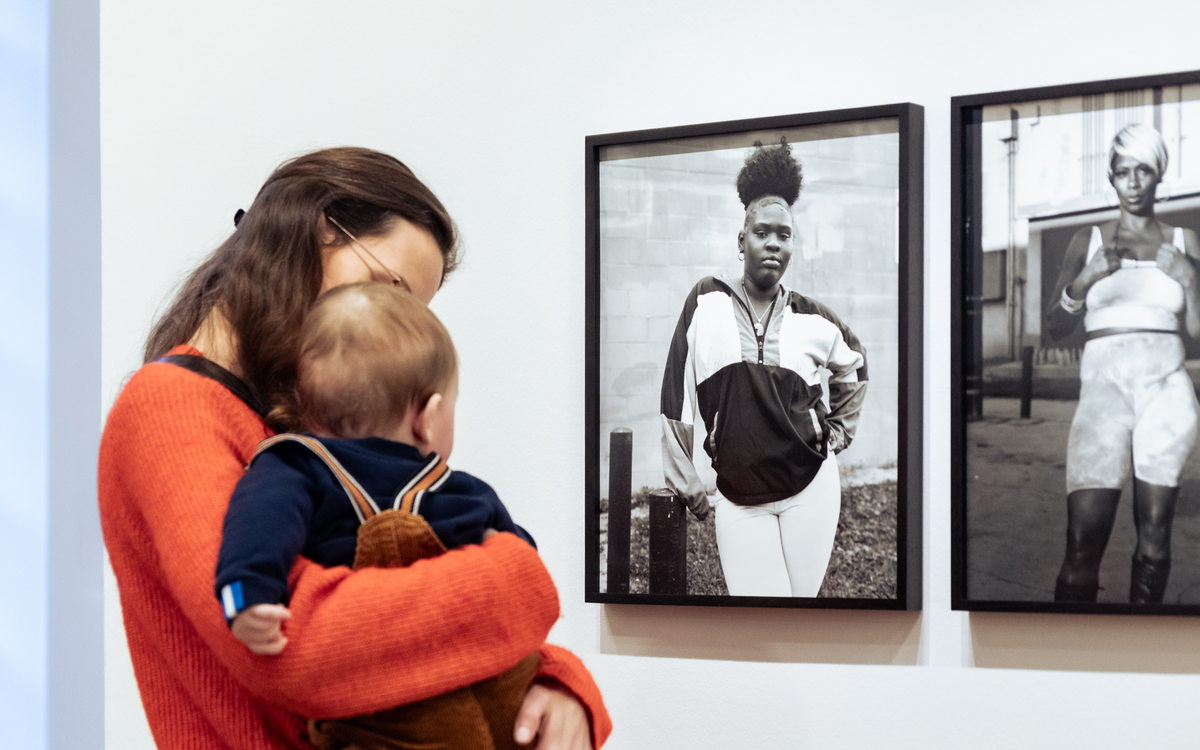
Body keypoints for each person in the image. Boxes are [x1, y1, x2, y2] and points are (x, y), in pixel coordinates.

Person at [98, 147, 610, 750]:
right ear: (319, 229)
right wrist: (518, 579)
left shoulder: (294, 429)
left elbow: (396, 593)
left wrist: (558, 679)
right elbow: (299, 647)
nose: (387, 330)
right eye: (388, 288)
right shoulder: (171, 405)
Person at [217, 282, 543, 750]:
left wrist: (245, 595)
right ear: (429, 417)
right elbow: (521, 567)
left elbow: (255, 526)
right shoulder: (463, 492)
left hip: (376, 714)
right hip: (485, 697)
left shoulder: (291, 466)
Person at [659, 139, 868, 598]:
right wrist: (684, 477)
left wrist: (837, 434)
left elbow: (853, 366)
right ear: (741, 239)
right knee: (758, 617)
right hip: (738, 496)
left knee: (801, 614)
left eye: (785, 234)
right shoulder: (705, 301)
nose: (773, 243)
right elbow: (676, 395)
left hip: (810, 487)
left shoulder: (813, 317)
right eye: (762, 232)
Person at [1047, 124, 1200, 604]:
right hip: (1103, 394)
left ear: (1159, 176)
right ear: (1110, 178)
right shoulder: (1087, 240)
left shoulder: (1185, 241)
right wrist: (1086, 279)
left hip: (1167, 392)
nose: (1133, 182)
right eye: (1123, 172)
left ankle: (1141, 646)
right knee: (1081, 542)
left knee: (1154, 538)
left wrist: (1191, 281)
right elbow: (1055, 326)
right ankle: (1065, 653)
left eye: (1144, 171)